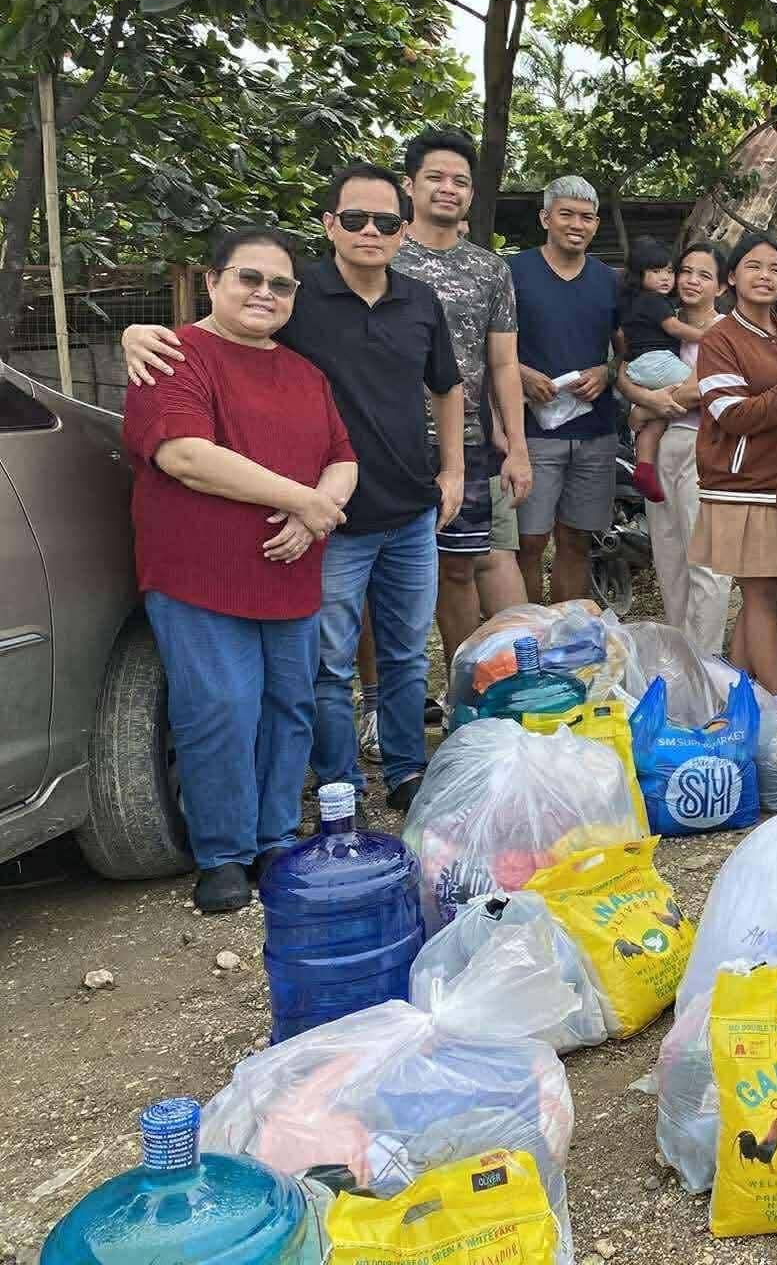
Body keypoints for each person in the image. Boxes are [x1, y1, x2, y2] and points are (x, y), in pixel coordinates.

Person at [124, 163, 463, 813]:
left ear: (404, 230)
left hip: (408, 509)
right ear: (330, 224)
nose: (371, 231)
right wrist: (136, 333)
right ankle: (340, 785)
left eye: (386, 221)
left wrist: (453, 471)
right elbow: (222, 328)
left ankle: (406, 772)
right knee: (327, 666)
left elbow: (446, 386)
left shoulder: (420, 301)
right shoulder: (295, 293)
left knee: (407, 656)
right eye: (356, 218)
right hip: (325, 522)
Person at [122, 229, 357, 912]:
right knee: (219, 709)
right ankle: (222, 853)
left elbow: (343, 457)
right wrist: (302, 500)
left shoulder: (305, 373)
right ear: (213, 282)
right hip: (200, 576)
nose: (265, 293)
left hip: (291, 573)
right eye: (249, 278)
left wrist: (317, 510)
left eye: (280, 284)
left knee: (289, 708)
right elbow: (184, 455)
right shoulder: (174, 354)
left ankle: (275, 838)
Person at [387, 126, 530, 732]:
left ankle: (463, 698)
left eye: (460, 181)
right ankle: (378, 703)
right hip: (384, 443)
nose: (448, 189)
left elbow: (503, 363)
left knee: (459, 569)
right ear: (409, 185)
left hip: (465, 444)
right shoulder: (381, 254)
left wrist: (516, 446)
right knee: (375, 580)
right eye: (436, 178)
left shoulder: (489, 269)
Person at [693, 231, 777, 707]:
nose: (766, 276)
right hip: (743, 485)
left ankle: (736, 699)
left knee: (763, 596)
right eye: (754, 266)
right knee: (763, 598)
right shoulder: (720, 337)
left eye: (776, 269)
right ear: (731, 278)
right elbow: (732, 415)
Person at [617, 240, 732, 652]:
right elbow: (625, 374)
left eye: (704, 275)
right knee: (668, 557)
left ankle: (706, 658)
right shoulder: (657, 321)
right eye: (686, 271)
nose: (691, 281)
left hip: (704, 446)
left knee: (706, 560)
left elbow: (703, 389)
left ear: (721, 286)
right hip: (661, 449)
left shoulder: (725, 330)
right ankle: (683, 655)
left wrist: (646, 406)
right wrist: (641, 403)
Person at [511, 176, 618, 605]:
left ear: (596, 224)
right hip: (531, 431)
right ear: (545, 218)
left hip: (595, 430)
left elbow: (631, 350)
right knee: (528, 541)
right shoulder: (513, 273)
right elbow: (486, 344)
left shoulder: (609, 280)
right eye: (566, 214)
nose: (577, 224)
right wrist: (521, 374)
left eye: (586, 217)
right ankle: (527, 634)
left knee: (577, 539)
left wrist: (607, 371)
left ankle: (566, 632)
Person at [616, 234, 711, 503]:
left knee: (659, 418)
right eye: (656, 271)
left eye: (669, 271)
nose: (665, 278)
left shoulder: (637, 302)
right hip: (656, 360)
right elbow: (674, 328)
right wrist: (707, 337)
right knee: (701, 388)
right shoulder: (653, 301)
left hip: (641, 365)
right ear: (639, 275)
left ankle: (644, 467)